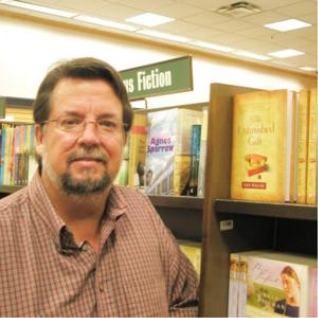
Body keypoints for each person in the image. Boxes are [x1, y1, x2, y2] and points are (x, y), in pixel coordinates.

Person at [0, 57, 199, 317]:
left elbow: (185, 298)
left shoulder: (141, 212)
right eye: (71, 121)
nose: (91, 137)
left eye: (107, 124)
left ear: (124, 139)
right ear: (40, 138)